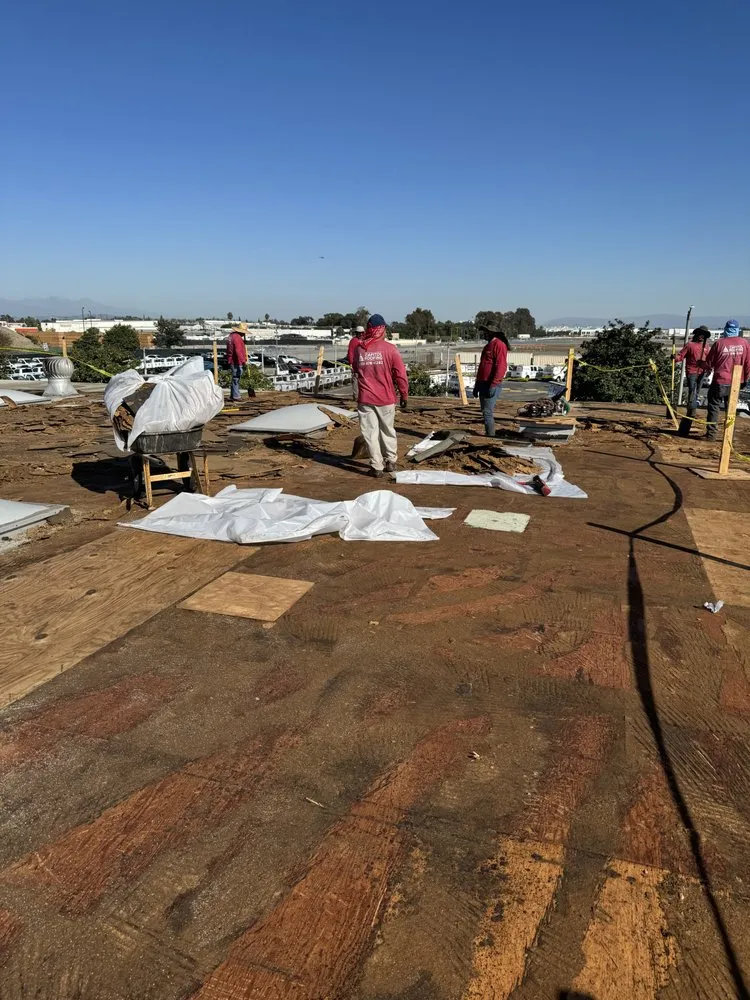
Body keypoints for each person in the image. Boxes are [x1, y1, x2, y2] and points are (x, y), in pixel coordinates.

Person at [351, 314, 408, 477]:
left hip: (366, 399)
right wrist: (404, 395)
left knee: (370, 433)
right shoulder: (390, 349)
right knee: (387, 430)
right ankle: (390, 461)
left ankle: (376, 466)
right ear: (382, 329)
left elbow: (355, 369)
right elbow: (400, 374)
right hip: (386, 398)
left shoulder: (360, 349)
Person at [704, 320, 750, 440]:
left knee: (714, 407)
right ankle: (729, 436)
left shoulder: (719, 343)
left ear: (726, 329)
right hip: (736, 382)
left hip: (720, 381)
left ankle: (711, 435)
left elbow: (709, 363)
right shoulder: (744, 343)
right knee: (731, 409)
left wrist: (703, 366)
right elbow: (747, 364)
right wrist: (745, 379)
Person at [472, 325, 510, 436]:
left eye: (485, 331)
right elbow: (482, 368)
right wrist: (477, 385)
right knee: (485, 411)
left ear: (491, 332)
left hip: (491, 384)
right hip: (483, 384)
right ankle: (489, 433)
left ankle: (491, 436)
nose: (483, 334)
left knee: (487, 412)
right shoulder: (487, 347)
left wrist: (494, 384)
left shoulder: (499, 345)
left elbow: (501, 366)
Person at [676, 326, 711, 416]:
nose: (701, 336)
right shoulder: (690, 345)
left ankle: (692, 407)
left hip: (702, 372)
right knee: (692, 389)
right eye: (699, 334)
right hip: (691, 371)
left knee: (697, 390)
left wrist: (709, 368)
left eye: (703, 335)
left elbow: (709, 359)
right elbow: (681, 356)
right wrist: (675, 358)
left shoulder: (706, 346)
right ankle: (692, 410)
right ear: (696, 334)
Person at [225, 326, 248, 402]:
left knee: (234, 378)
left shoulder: (231, 336)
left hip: (231, 360)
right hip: (236, 361)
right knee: (236, 378)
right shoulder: (237, 338)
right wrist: (243, 361)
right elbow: (238, 351)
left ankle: (233, 395)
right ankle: (236, 396)